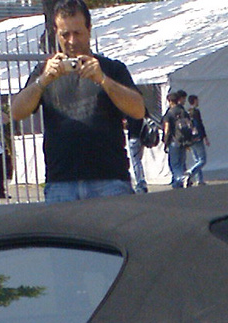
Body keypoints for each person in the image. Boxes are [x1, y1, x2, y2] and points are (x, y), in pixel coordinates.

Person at [9, 0, 145, 201]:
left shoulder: (112, 69)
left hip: (109, 180)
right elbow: (17, 112)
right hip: (61, 182)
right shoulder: (44, 72)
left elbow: (138, 110)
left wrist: (103, 80)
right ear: (56, 33)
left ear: (89, 30)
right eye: (65, 34)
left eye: (77, 33)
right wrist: (43, 81)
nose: (72, 41)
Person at [161, 88, 195, 188]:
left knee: (174, 164)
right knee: (181, 162)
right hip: (184, 140)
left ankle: (182, 178)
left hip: (174, 141)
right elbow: (190, 125)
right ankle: (178, 183)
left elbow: (166, 129)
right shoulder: (183, 111)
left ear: (170, 101)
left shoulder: (169, 113)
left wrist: (165, 142)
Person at [185, 94, 209, 186]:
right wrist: (204, 136)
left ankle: (199, 179)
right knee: (202, 160)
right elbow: (199, 125)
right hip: (197, 138)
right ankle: (191, 172)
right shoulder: (195, 112)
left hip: (190, 139)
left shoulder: (187, 112)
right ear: (194, 101)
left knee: (196, 159)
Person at [125, 111, 149, 193]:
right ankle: (142, 181)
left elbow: (126, 125)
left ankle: (140, 183)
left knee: (135, 162)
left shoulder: (130, 113)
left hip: (133, 138)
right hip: (141, 138)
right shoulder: (141, 112)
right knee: (138, 160)